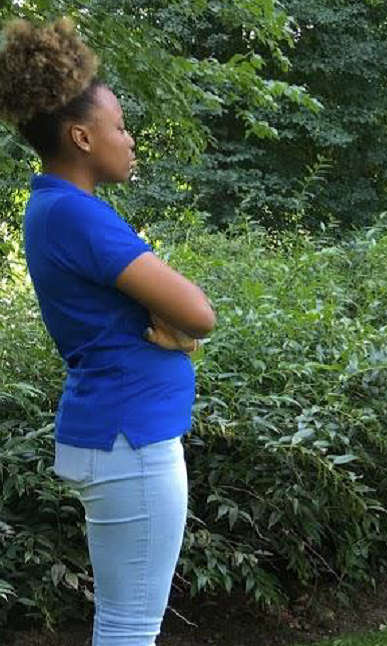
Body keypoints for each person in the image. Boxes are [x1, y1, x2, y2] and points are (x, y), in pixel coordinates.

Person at [0, 18, 216, 645]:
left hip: (118, 434)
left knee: (124, 620)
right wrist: (187, 331)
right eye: (118, 127)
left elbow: (176, 322)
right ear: (81, 136)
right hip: (131, 440)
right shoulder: (77, 216)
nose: (128, 139)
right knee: (129, 626)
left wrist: (181, 336)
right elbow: (198, 310)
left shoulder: (54, 210)